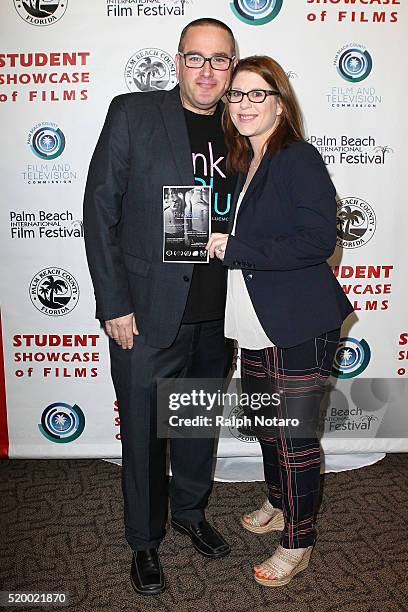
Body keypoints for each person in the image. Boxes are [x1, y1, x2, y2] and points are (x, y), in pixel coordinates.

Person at [83, 18, 237, 596]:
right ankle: (144, 542)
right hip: (147, 312)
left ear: (232, 66)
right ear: (176, 62)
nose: (207, 71)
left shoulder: (245, 121)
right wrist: (114, 302)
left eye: (219, 60)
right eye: (195, 58)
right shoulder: (134, 113)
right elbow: (100, 210)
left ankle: (191, 515)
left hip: (221, 311)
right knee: (145, 434)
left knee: (196, 424)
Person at [207, 56, 354, 587]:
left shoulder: (298, 158)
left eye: (256, 94)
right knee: (269, 430)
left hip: (296, 323)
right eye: (235, 95)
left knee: (293, 439)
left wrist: (237, 247)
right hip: (255, 322)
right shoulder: (248, 161)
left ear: (279, 101)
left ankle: (298, 542)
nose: (243, 104)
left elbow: (319, 242)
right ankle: (277, 501)